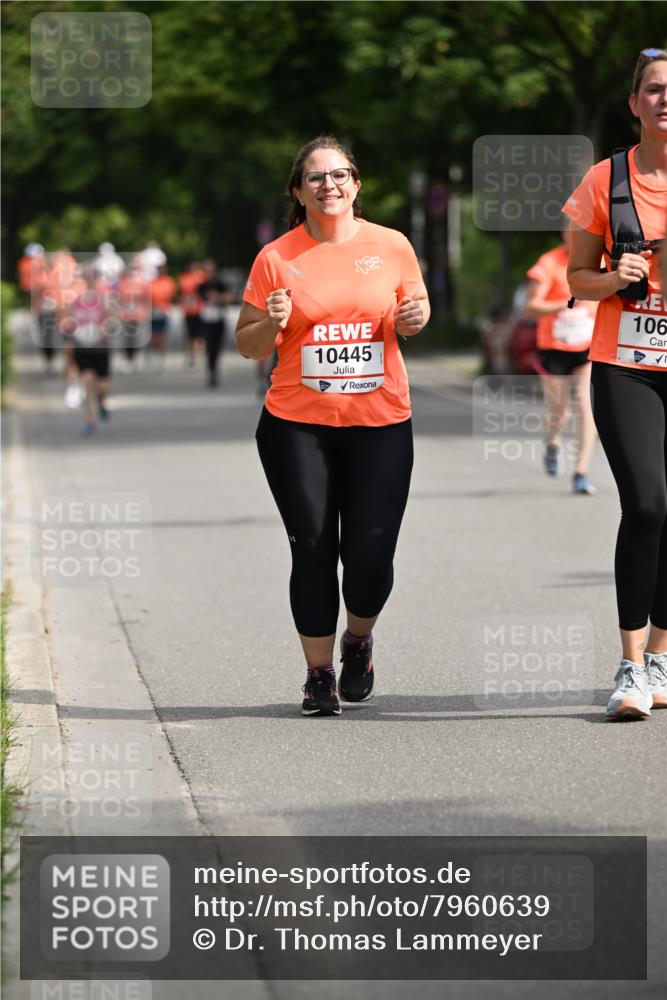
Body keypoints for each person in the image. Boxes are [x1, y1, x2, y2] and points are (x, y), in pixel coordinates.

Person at [235, 135, 430, 717]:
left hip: (381, 423)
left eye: (339, 175)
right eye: (316, 177)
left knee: (371, 554)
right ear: (298, 190)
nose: (329, 185)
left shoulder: (392, 246)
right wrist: (269, 323)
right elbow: (249, 346)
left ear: (356, 184)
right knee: (314, 549)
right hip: (298, 426)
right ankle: (318, 675)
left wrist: (416, 317)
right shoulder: (277, 257)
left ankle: (359, 641)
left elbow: (413, 313)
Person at [564, 47, 667, 720]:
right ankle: (629, 666)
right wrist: (614, 278)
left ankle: (659, 654)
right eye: (654, 90)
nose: (665, 99)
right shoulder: (605, 181)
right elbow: (576, 281)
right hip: (625, 362)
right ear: (634, 104)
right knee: (648, 504)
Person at [525, 230, 599, 493]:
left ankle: (581, 471)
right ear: (564, 234)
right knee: (559, 413)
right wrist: (567, 303)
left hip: (586, 348)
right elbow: (531, 307)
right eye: (573, 233)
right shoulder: (549, 263)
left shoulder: (599, 261)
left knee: (584, 404)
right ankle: (553, 442)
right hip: (554, 349)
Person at [61, 267, 115, 435]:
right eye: (87, 278)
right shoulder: (76, 301)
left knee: (102, 387)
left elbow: (113, 320)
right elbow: (67, 322)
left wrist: (105, 328)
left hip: (100, 347)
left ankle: (102, 403)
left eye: (93, 278)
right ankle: (89, 420)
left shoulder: (105, 300)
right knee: (87, 382)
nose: (90, 281)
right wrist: (71, 332)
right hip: (82, 347)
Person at [197, 260, 231, 387]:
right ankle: (211, 370)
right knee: (209, 346)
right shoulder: (202, 286)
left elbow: (228, 298)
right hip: (206, 319)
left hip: (218, 319)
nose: (208, 273)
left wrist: (219, 298)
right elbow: (198, 300)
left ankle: (215, 369)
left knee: (217, 346)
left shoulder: (220, 284)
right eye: (206, 271)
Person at [178, 259, 207, 366]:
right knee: (190, 335)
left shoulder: (202, 277)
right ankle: (191, 356)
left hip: (200, 310)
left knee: (200, 335)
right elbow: (183, 292)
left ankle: (198, 355)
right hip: (189, 310)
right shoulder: (184, 278)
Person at [149, 264, 176, 367]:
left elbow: (171, 295)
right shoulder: (152, 282)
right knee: (154, 335)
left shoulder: (169, 281)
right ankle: (155, 355)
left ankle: (162, 357)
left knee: (163, 335)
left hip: (164, 310)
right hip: (154, 310)